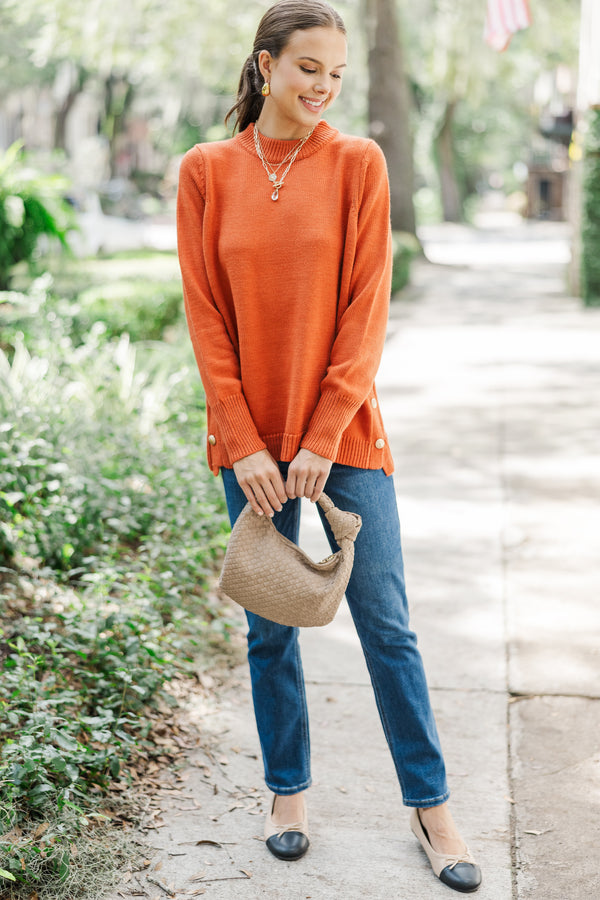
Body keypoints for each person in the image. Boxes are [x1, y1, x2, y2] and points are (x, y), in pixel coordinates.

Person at [176, 0, 481, 892]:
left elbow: (365, 311)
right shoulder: (206, 171)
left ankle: (432, 808)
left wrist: (317, 437)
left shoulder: (357, 163)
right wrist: (243, 441)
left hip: (344, 437)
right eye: (309, 67)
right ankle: (287, 795)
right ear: (266, 65)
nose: (325, 87)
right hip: (249, 451)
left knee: (386, 624)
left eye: (337, 73)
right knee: (269, 625)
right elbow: (206, 319)